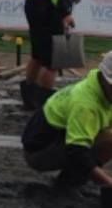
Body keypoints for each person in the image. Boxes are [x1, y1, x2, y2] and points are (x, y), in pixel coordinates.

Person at [22, 51, 112, 194]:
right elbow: (77, 151)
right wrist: (108, 183)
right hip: (39, 151)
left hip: (58, 140)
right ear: (106, 80)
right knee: (108, 140)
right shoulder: (85, 105)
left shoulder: (101, 86)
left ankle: (70, 179)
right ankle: (68, 184)